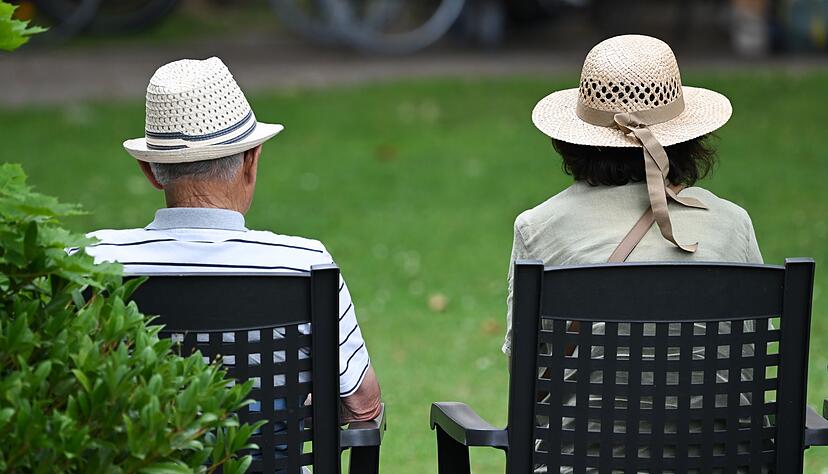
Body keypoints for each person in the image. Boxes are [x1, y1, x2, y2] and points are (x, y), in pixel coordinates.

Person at [503, 35, 763, 472]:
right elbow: (752, 366)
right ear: (686, 137)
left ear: (576, 141)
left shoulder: (539, 229)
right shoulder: (732, 223)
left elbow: (526, 382)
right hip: (721, 460)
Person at [84, 57, 382, 427]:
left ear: (150, 170)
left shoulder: (90, 261)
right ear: (251, 161)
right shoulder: (305, 264)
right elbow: (363, 406)